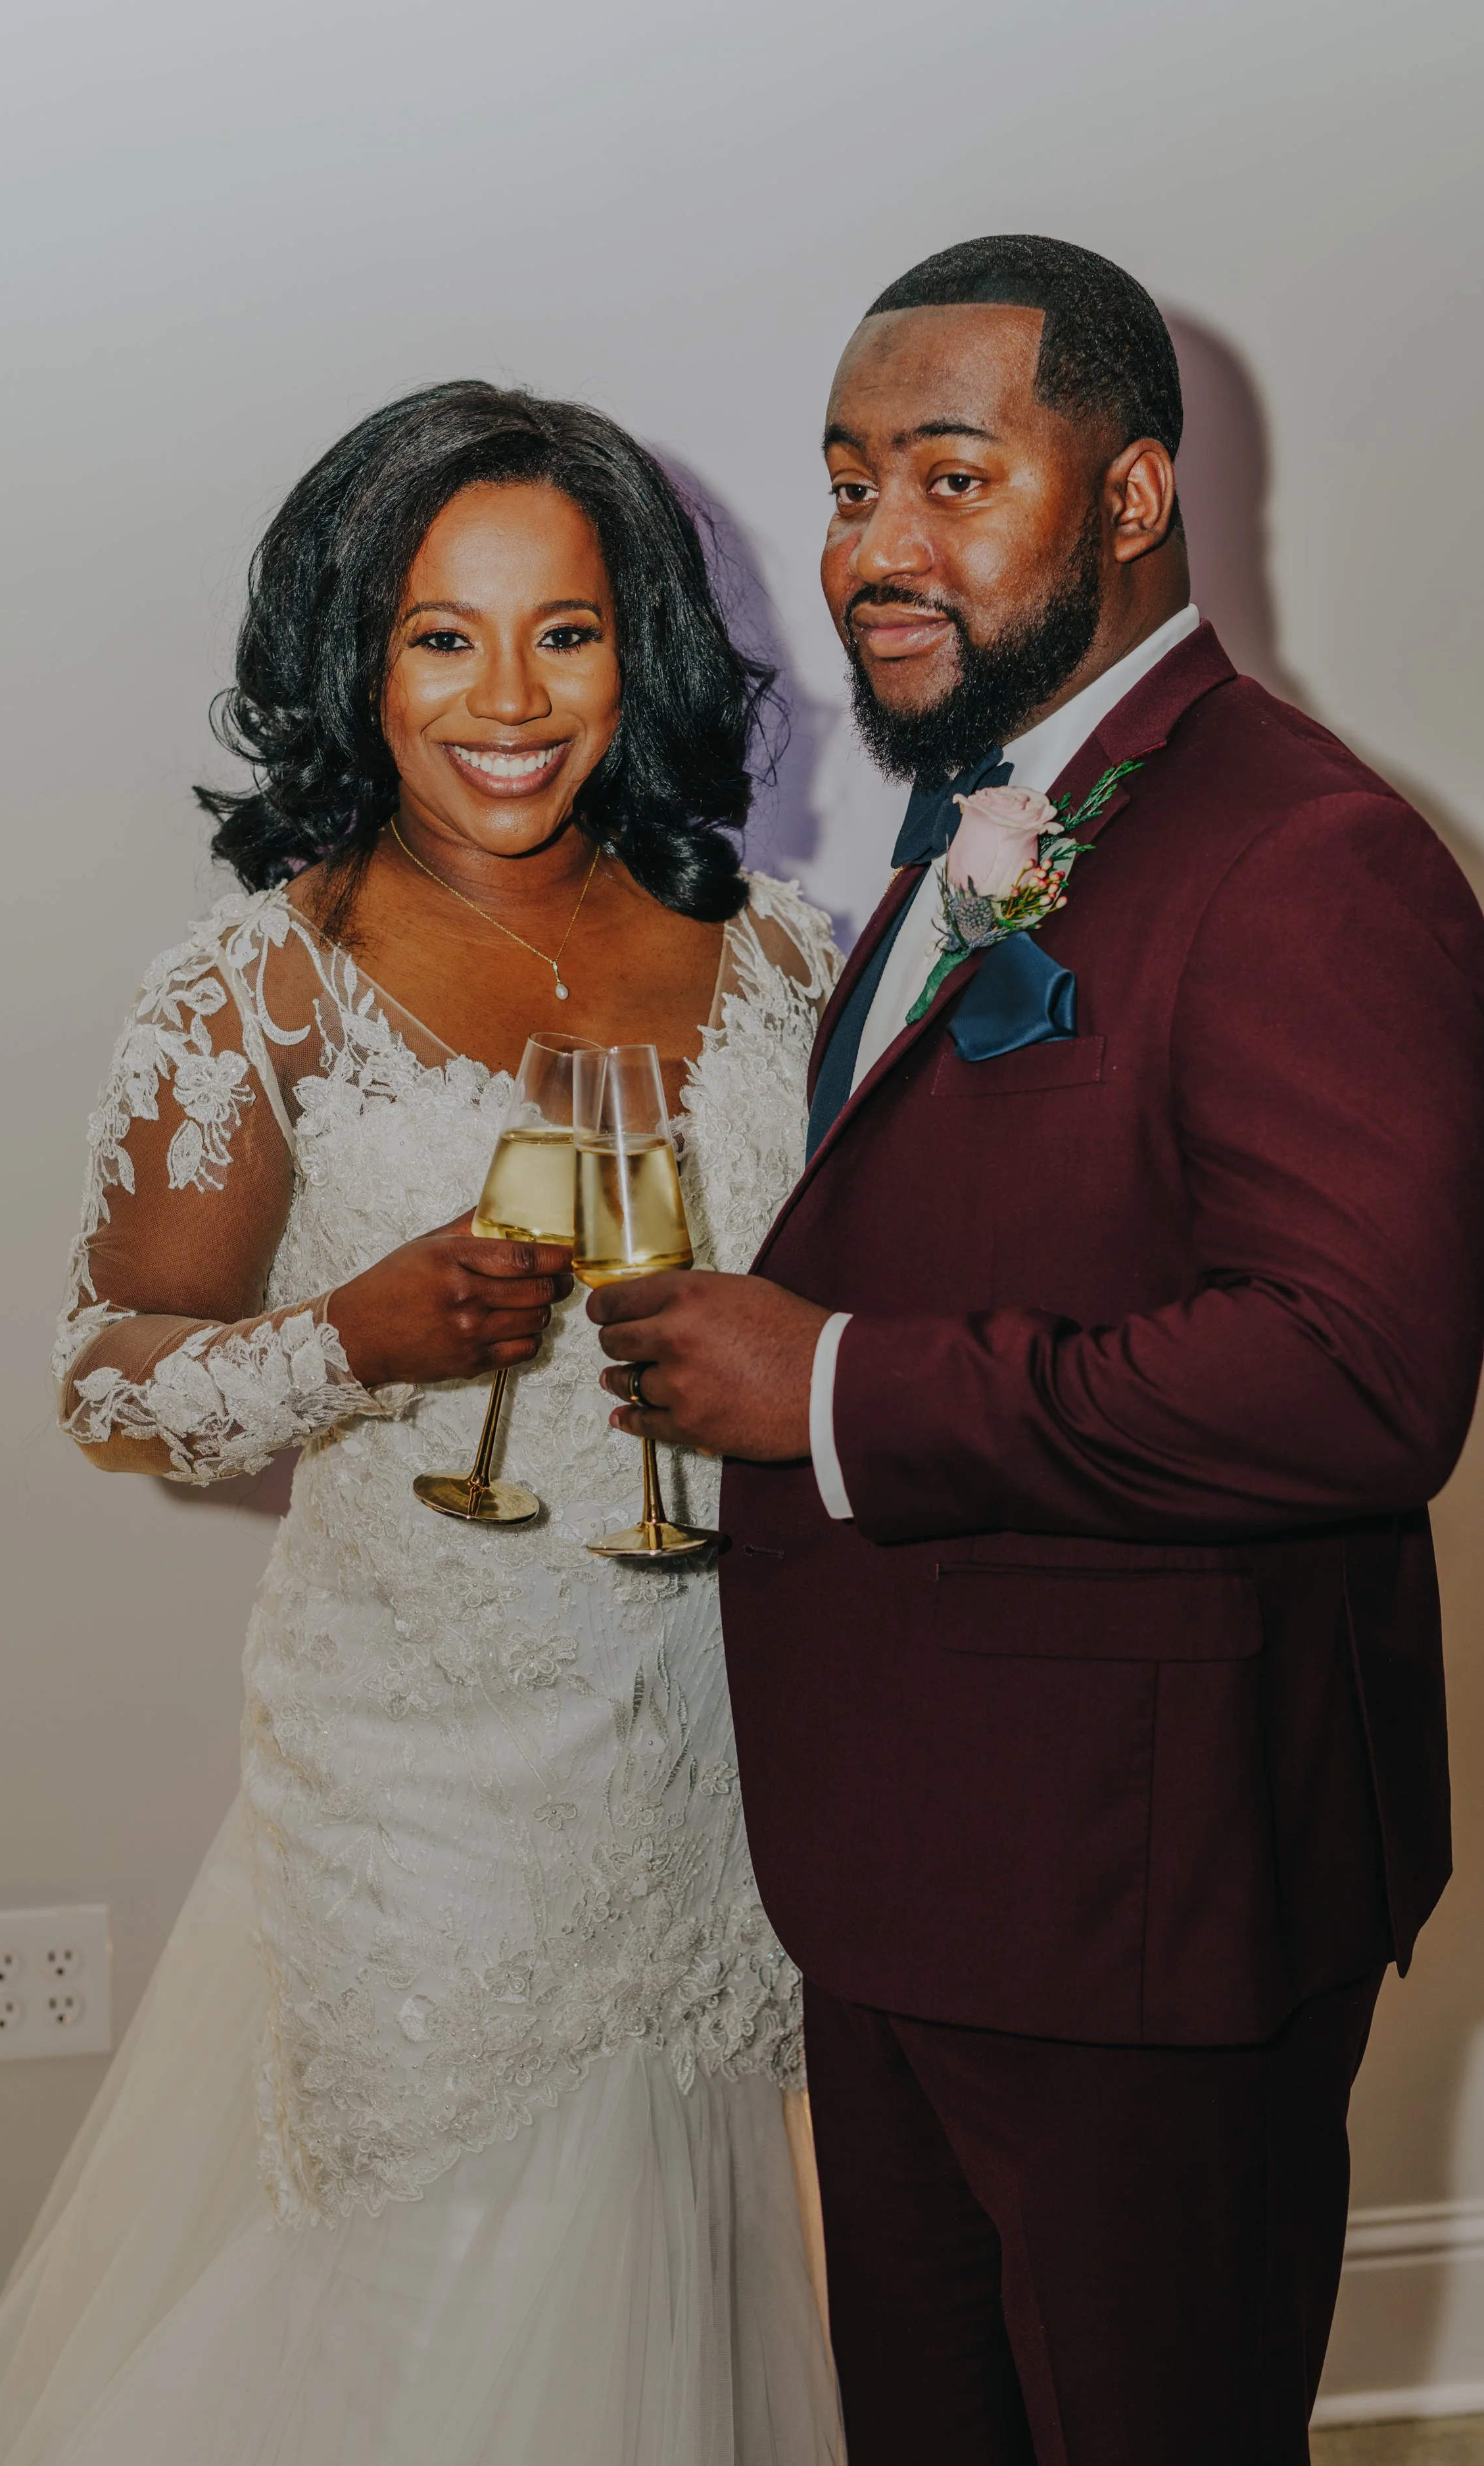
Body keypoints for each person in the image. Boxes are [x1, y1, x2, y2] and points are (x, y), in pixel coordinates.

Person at [588, 235, 1484, 2463]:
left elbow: (1354, 1380)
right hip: (902, 1876)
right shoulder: (971, 824)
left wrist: (820, 1391)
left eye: (950, 476)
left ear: (1131, 496)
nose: (873, 544)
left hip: (1141, 1906)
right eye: (843, 479)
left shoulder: (1310, 853)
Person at [0, 383, 841, 2466]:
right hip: (424, 1790)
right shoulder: (264, 982)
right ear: (356, 655)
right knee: (446, 2327)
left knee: (683, 2302)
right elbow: (103, 1369)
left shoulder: (785, 954)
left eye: (565, 632)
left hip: (730, 1750)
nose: (507, 697)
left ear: (642, 651)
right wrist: (348, 1334)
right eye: (440, 635)